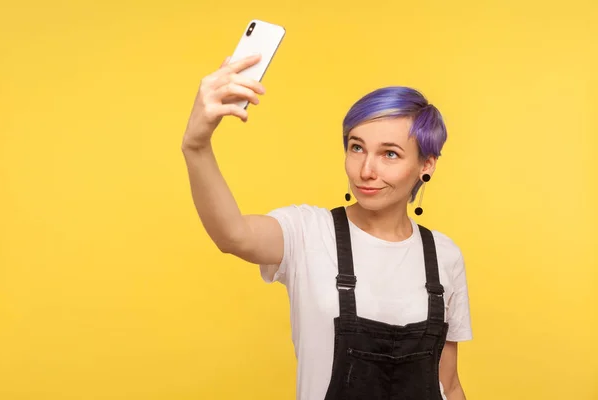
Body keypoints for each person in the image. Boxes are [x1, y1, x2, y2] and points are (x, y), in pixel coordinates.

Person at [182, 54, 473, 400]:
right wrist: (196, 146)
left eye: (390, 154)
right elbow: (232, 234)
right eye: (356, 147)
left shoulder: (444, 256)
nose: (366, 170)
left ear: (427, 163)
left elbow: (449, 384)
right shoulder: (308, 232)